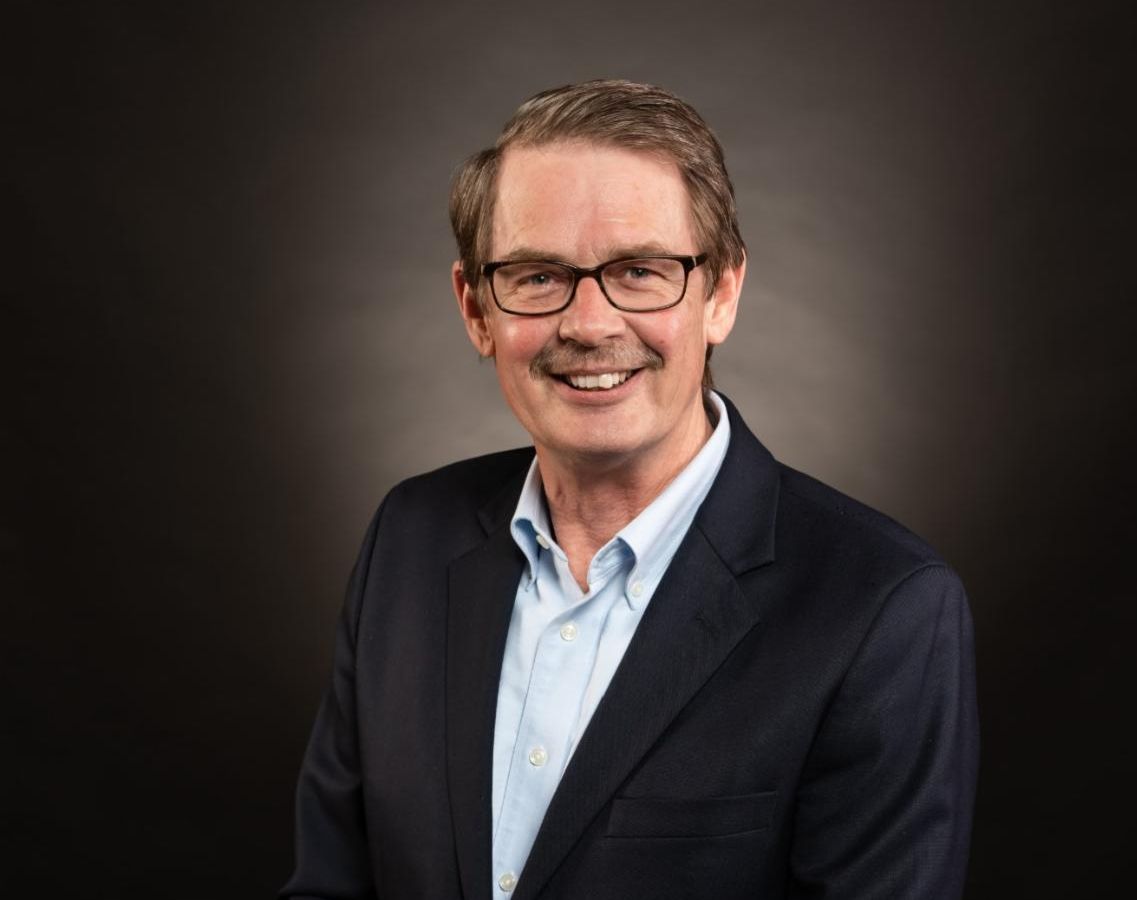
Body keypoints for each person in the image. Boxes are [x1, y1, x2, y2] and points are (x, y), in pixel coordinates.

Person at [281, 79, 978, 900]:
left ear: (721, 294)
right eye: (538, 276)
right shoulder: (409, 536)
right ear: (476, 309)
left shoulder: (882, 608)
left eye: (641, 270)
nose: (589, 323)